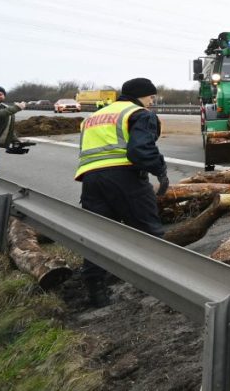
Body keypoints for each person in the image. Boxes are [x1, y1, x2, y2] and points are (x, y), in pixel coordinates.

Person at [74, 78, 170, 307]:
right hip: (125, 178)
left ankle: (97, 293)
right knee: (149, 230)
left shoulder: (93, 117)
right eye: (151, 97)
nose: (151, 102)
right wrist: (161, 171)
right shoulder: (138, 113)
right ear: (142, 96)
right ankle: (164, 286)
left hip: (91, 179)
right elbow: (139, 151)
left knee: (98, 235)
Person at [0, 86, 27, 175]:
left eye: (0, 94)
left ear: (4, 96)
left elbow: (6, 127)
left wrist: (16, 140)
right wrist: (16, 108)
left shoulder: (4, 107)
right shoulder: (6, 110)